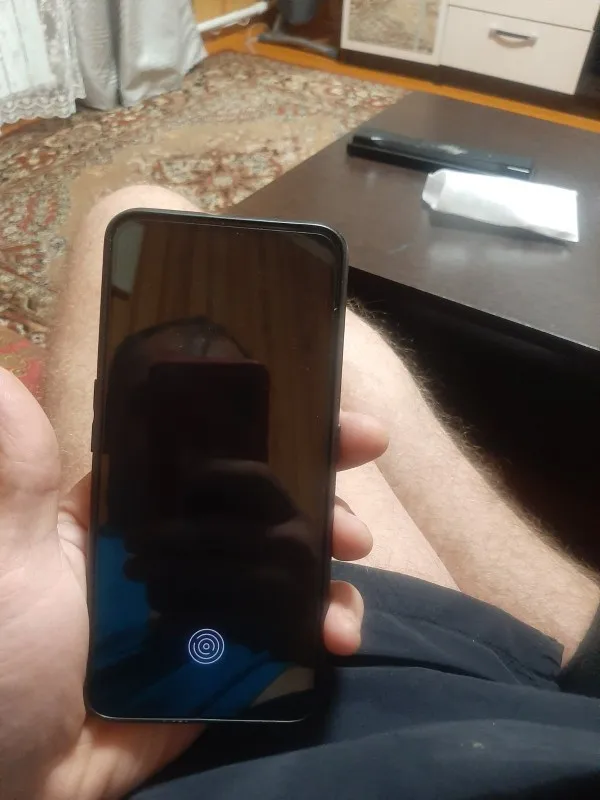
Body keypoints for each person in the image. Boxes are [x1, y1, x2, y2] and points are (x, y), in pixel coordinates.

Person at [2, 186, 600, 800]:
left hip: (482, 713)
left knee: (131, 204)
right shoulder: (70, 596)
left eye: (225, 408)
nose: (197, 433)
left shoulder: (69, 592)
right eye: (170, 407)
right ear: (117, 424)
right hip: (529, 708)